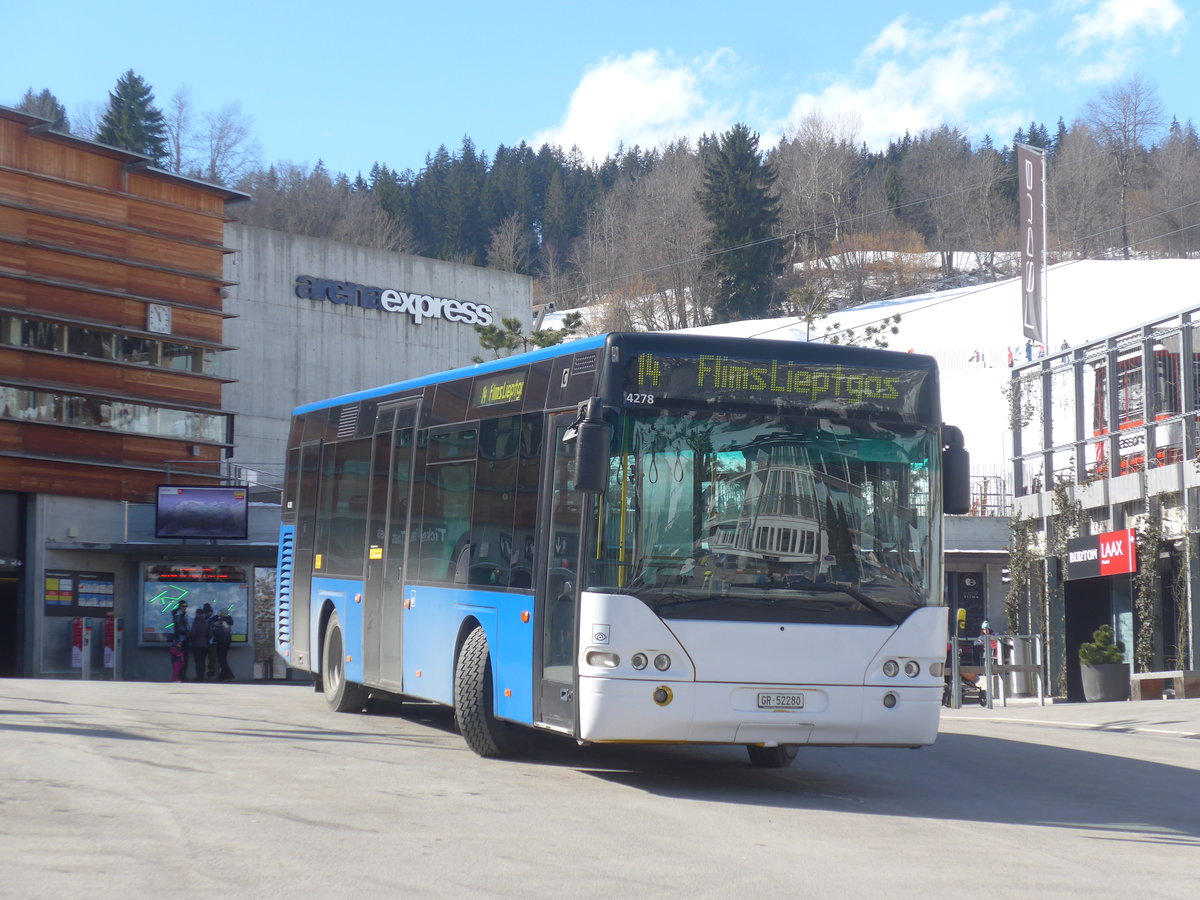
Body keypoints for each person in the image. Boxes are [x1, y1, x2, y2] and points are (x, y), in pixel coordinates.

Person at [189, 603, 212, 681]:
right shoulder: (206, 623)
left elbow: (193, 634)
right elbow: (210, 634)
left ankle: (199, 677)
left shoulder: (196, 622)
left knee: (198, 661)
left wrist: (192, 640)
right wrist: (206, 640)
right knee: (202, 661)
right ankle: (202, 676)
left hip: (197, 644)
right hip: (205, 644)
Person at [170, 600, 190, 680]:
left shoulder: (182, 615)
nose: (185, 608)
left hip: (183, 639)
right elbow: (179, 627)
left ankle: (182, 675)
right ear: (180, 607)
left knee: (183, 659)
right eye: (183, 606)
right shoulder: (179, 615)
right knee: (181, 659)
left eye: (186, 606)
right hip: (180, 640)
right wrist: (186, 632)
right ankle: (181, 676)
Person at [214, 614, 235, 682]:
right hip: (225, 643)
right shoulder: (227, 621)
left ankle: (229, 675)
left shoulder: (223, 622)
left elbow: (214, 624)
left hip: (222, 643)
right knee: (223, 660)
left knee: (222, 660)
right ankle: (222, 677)